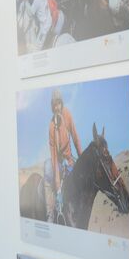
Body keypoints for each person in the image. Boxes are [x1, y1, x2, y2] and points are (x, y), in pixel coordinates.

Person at [45, 89, 83, 222]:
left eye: (58, 104)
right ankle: (50, 212)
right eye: (54, 105)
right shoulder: (51, 126)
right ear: (52, 106)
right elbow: (54, 155)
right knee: (47, 172)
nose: (57, 107)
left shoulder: (67, 114)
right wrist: (57, 183)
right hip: (58, 162)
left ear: (61, 104)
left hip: (69, 159)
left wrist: (81, 158)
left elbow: (75, 137)